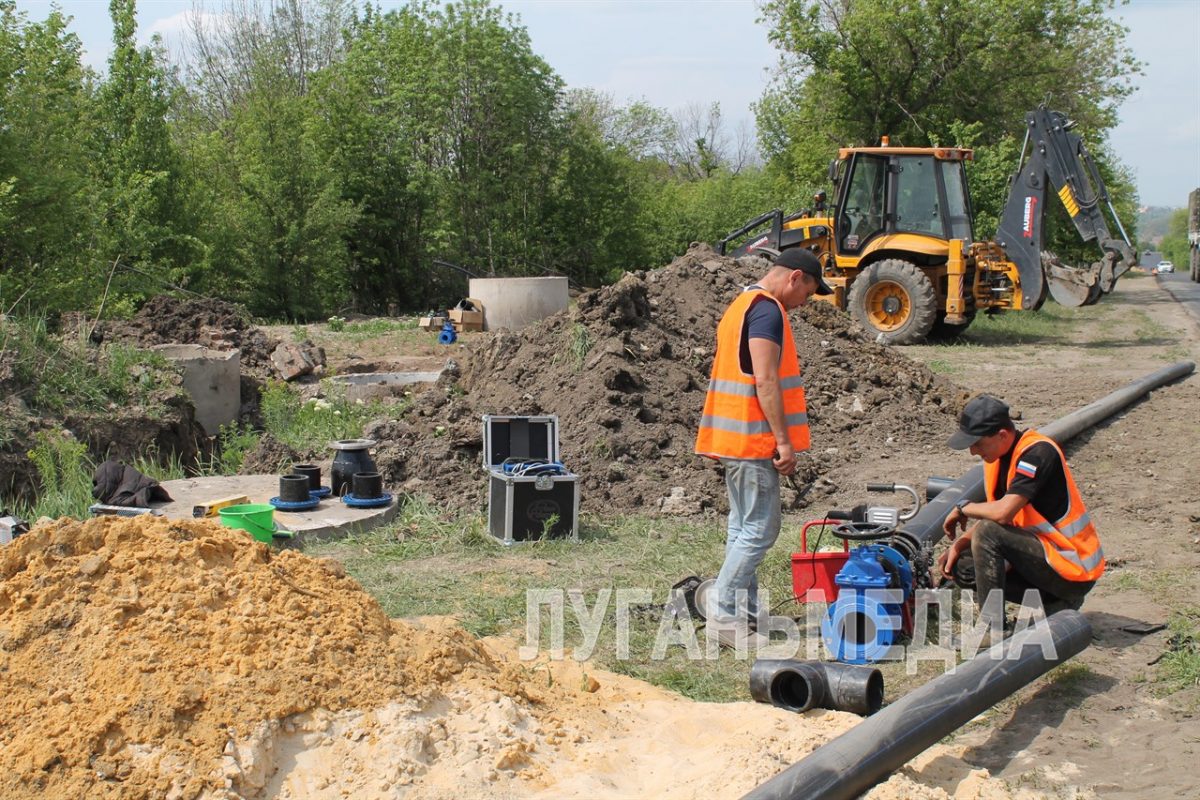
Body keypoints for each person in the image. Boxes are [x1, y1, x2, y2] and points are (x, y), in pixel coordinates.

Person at [695, 248, 832, 647]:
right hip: (753, 439)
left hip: (733, 437)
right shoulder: (768, 311)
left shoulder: (741, 304)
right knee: (760, 529)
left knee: (742, 526)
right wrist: (784, 441)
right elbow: (766, 380)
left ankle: (747, 615)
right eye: (808, 292)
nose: (805, 302)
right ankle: (723, 617)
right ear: (795, 278)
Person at [938, 395, 1105, 636]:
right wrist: (960, 543)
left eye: (977, 443)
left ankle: (993, 631)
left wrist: (963, 507)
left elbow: (1003, 513)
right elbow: (998, 512)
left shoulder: (1037, 453)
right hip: (1045, 558)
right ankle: (1051, 605)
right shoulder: (997, 459)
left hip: (1073, 569)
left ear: (1002, 435)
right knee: (963, 565)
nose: (973, 451)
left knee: (987, 534)